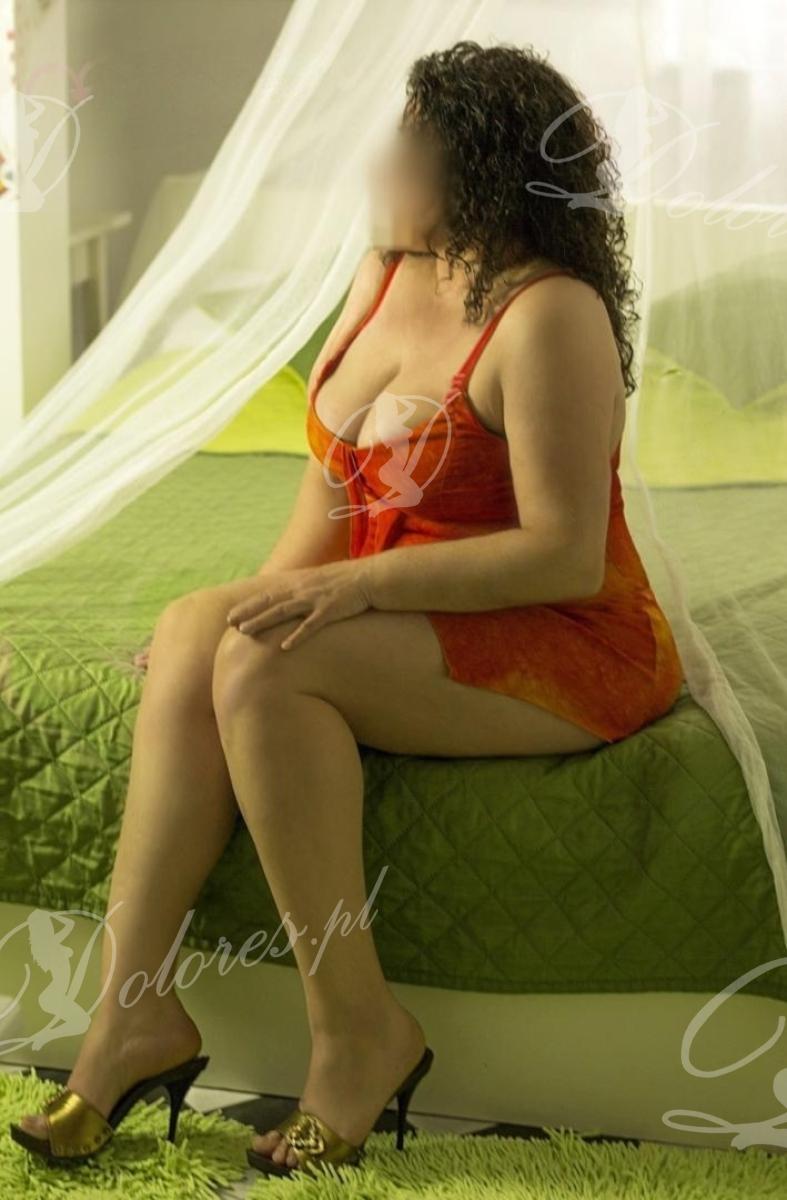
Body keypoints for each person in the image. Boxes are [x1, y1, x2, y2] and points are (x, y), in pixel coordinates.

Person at [11, 40, 682, 1177]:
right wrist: (250, 601)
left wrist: (347, 589)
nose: (375, 164)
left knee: (265, 667)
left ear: (475, 169)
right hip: (396, 600)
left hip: (557, 638)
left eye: (403, 145)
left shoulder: (548, 314)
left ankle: (357, 1033)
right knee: (197, 630)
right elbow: (330, 492)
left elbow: (564, 557)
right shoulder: (383, 273)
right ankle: (130, 1015)